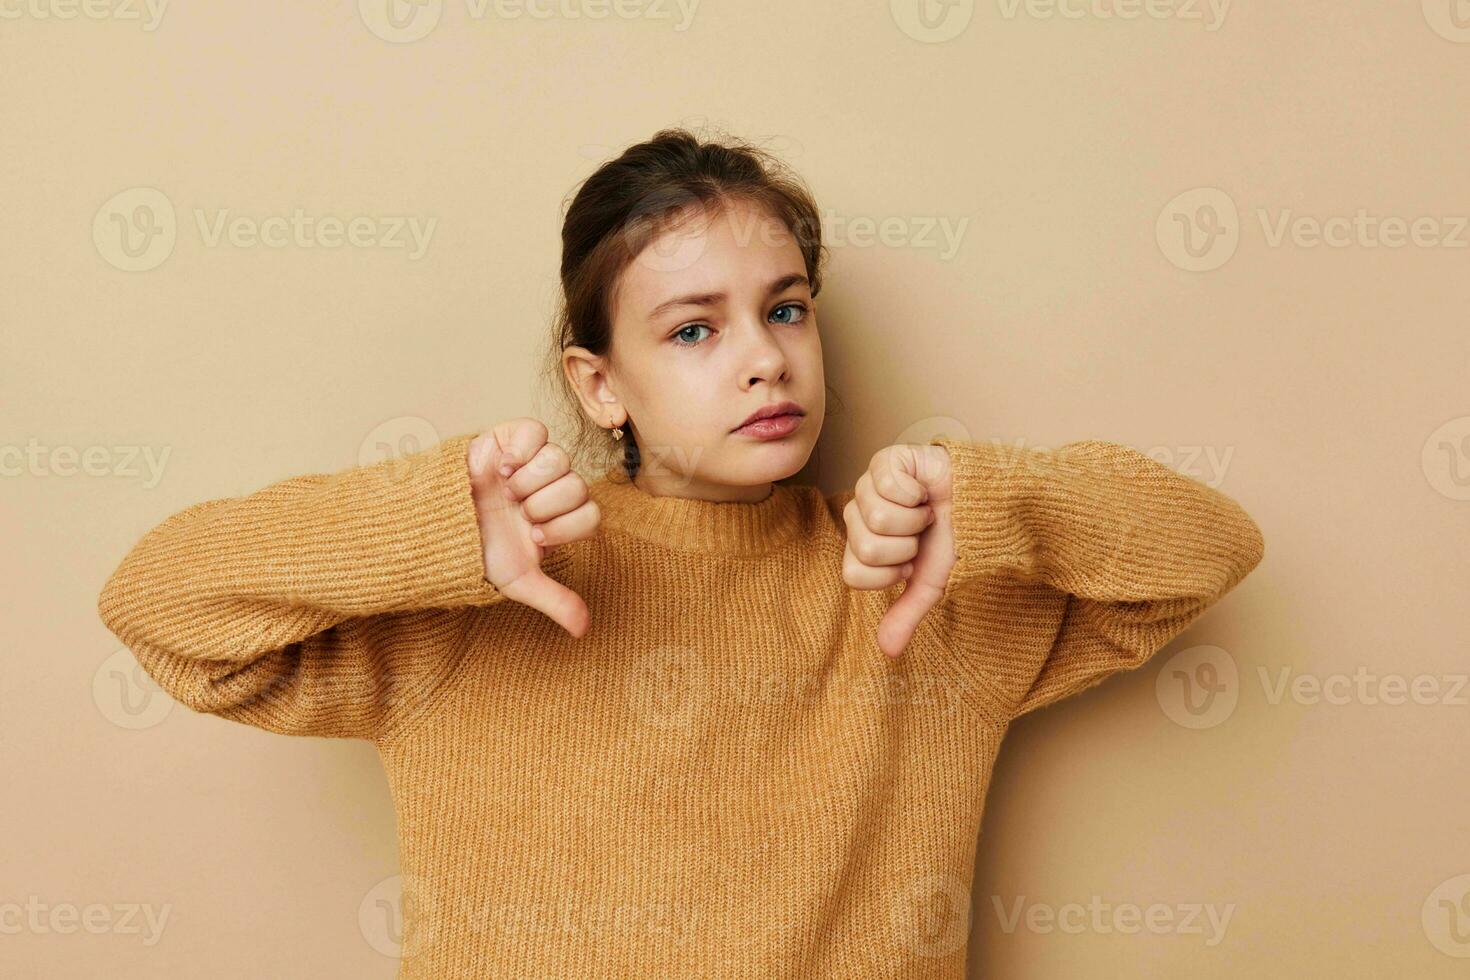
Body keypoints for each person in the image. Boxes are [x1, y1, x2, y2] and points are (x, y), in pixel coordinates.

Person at [96, 127, 1265, 978]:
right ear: (598, 384)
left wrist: (1002, 504)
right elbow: (159, 605)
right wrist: (431, 525)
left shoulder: (919, 593)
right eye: (695, 328)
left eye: (787, 308)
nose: (764, 358)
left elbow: (1211, 547)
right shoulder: (482, 597)